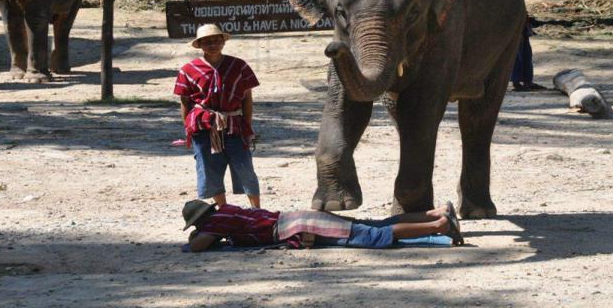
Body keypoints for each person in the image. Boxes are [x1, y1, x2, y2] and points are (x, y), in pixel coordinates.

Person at [175, 24, 262, 208]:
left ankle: (257, 211)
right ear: (199, 45)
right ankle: (224, 210)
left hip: (235, 125)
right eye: (207, 41)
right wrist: (188, 128)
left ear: (223, 41)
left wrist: (247, 125)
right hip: (204, 126)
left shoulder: (239, 66)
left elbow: (247, 98)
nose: (212, 44)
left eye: (216, 40)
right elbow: (185, 102)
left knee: (245, 168)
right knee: (209, 168)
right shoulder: (188, 70)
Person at [182, 199, 464, 252]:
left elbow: (197, 247)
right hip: (297, 217)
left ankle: (439, 225)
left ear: (201, 220)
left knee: (375, 238)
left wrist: (198, 235)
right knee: (373, 225)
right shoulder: (228, 210)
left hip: (300, 227)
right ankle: (435, 212)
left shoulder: (216, 223)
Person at [511, 15, 544, 91]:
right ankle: (517, 82)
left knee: (526, 55)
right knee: (518, 56)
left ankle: (527, 81)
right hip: (516, 28)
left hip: (522, 27)